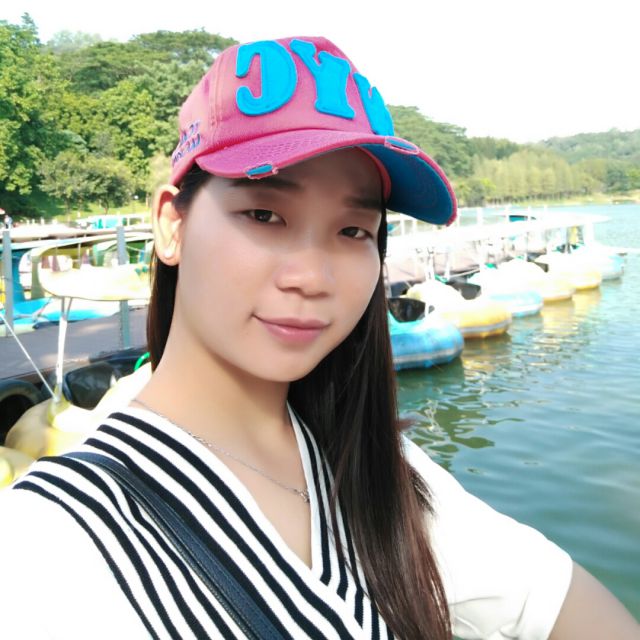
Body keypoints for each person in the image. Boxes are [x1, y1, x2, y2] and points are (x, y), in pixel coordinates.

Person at [0, 36, 638, 640]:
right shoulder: (47, 545)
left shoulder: (377, 469)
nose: (312, 277)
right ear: (172, 224)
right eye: (264, 214)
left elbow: (552, 602)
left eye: (353, 231)